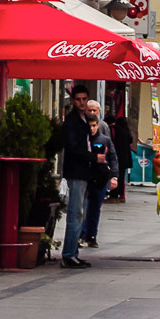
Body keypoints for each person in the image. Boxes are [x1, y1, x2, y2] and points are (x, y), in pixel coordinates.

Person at [60, 84, 95, 268]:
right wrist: (92, 156)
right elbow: (73, 148)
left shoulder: (83, 119)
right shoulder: (72, 121)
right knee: (75, 213)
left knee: (79, 212)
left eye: (84, 99)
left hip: (83, 171)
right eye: (78, 99)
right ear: (73, 100)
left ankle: (73, 252)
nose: (82, 103)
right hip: (76, 171)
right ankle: (68, 254)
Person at [80, 100, 111, 247]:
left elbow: (111, 154)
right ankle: (82, 234)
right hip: (85, 175)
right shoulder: (80, 133)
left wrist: (114, 175)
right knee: (83, 206)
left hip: (100, 176)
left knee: (95, 207)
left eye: (95, 110)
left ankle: (91, 235)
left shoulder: (104, 130)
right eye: (89, 110)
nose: (92, 113)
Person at [110, 112, 136, 200]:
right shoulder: (126, 131)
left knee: (116, 175)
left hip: (118, 156)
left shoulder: (116, 130)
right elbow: (130, 140)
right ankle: (121, 194)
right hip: (125, 158)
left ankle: (114, 194)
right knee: (122, 176)